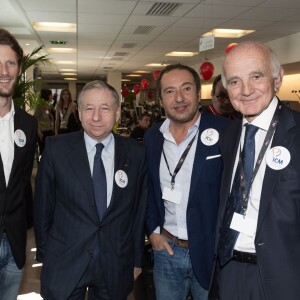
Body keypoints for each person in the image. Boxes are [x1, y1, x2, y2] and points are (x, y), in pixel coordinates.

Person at [34, 80, 148, 300]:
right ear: (79, 111)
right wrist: (47, 257)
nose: (96, 117)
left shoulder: (135, 153)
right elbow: (42, 209)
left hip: (115, 263)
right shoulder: (57, 149)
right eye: (89, 108)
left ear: (117, 113)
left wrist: (135, 260)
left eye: (105, 108)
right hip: (65, 261)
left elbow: (137, 211)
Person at [209, 41, 300, 300]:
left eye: (256, 76)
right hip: (228, 270)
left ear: (277, 78)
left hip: (283, 278)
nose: (246, 90)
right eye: (235, 81)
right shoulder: (229, 135)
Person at [144, 64, 229, 300]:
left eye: (186, 88)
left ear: (198, 92)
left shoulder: (226, 131)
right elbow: (149, 188)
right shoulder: (153, 137)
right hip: (166, 250)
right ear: (161, 99)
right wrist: (152, 231)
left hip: (210, 254)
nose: (179, 98)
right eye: (170, 91)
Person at [0, 28, 38, 299]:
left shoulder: (28, 123)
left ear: (19, 68)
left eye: (10, 63)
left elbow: (23, 181)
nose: (4, 71)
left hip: (14, 246)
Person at [34, 88, 55, 154]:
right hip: (43, 133)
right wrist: (39, 132)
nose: (52, 97)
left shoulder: (49, 106)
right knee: (43, 152)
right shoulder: (40, 106)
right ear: (48, 96)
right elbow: (35, 119)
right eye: (51, 95)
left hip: (50, 132)